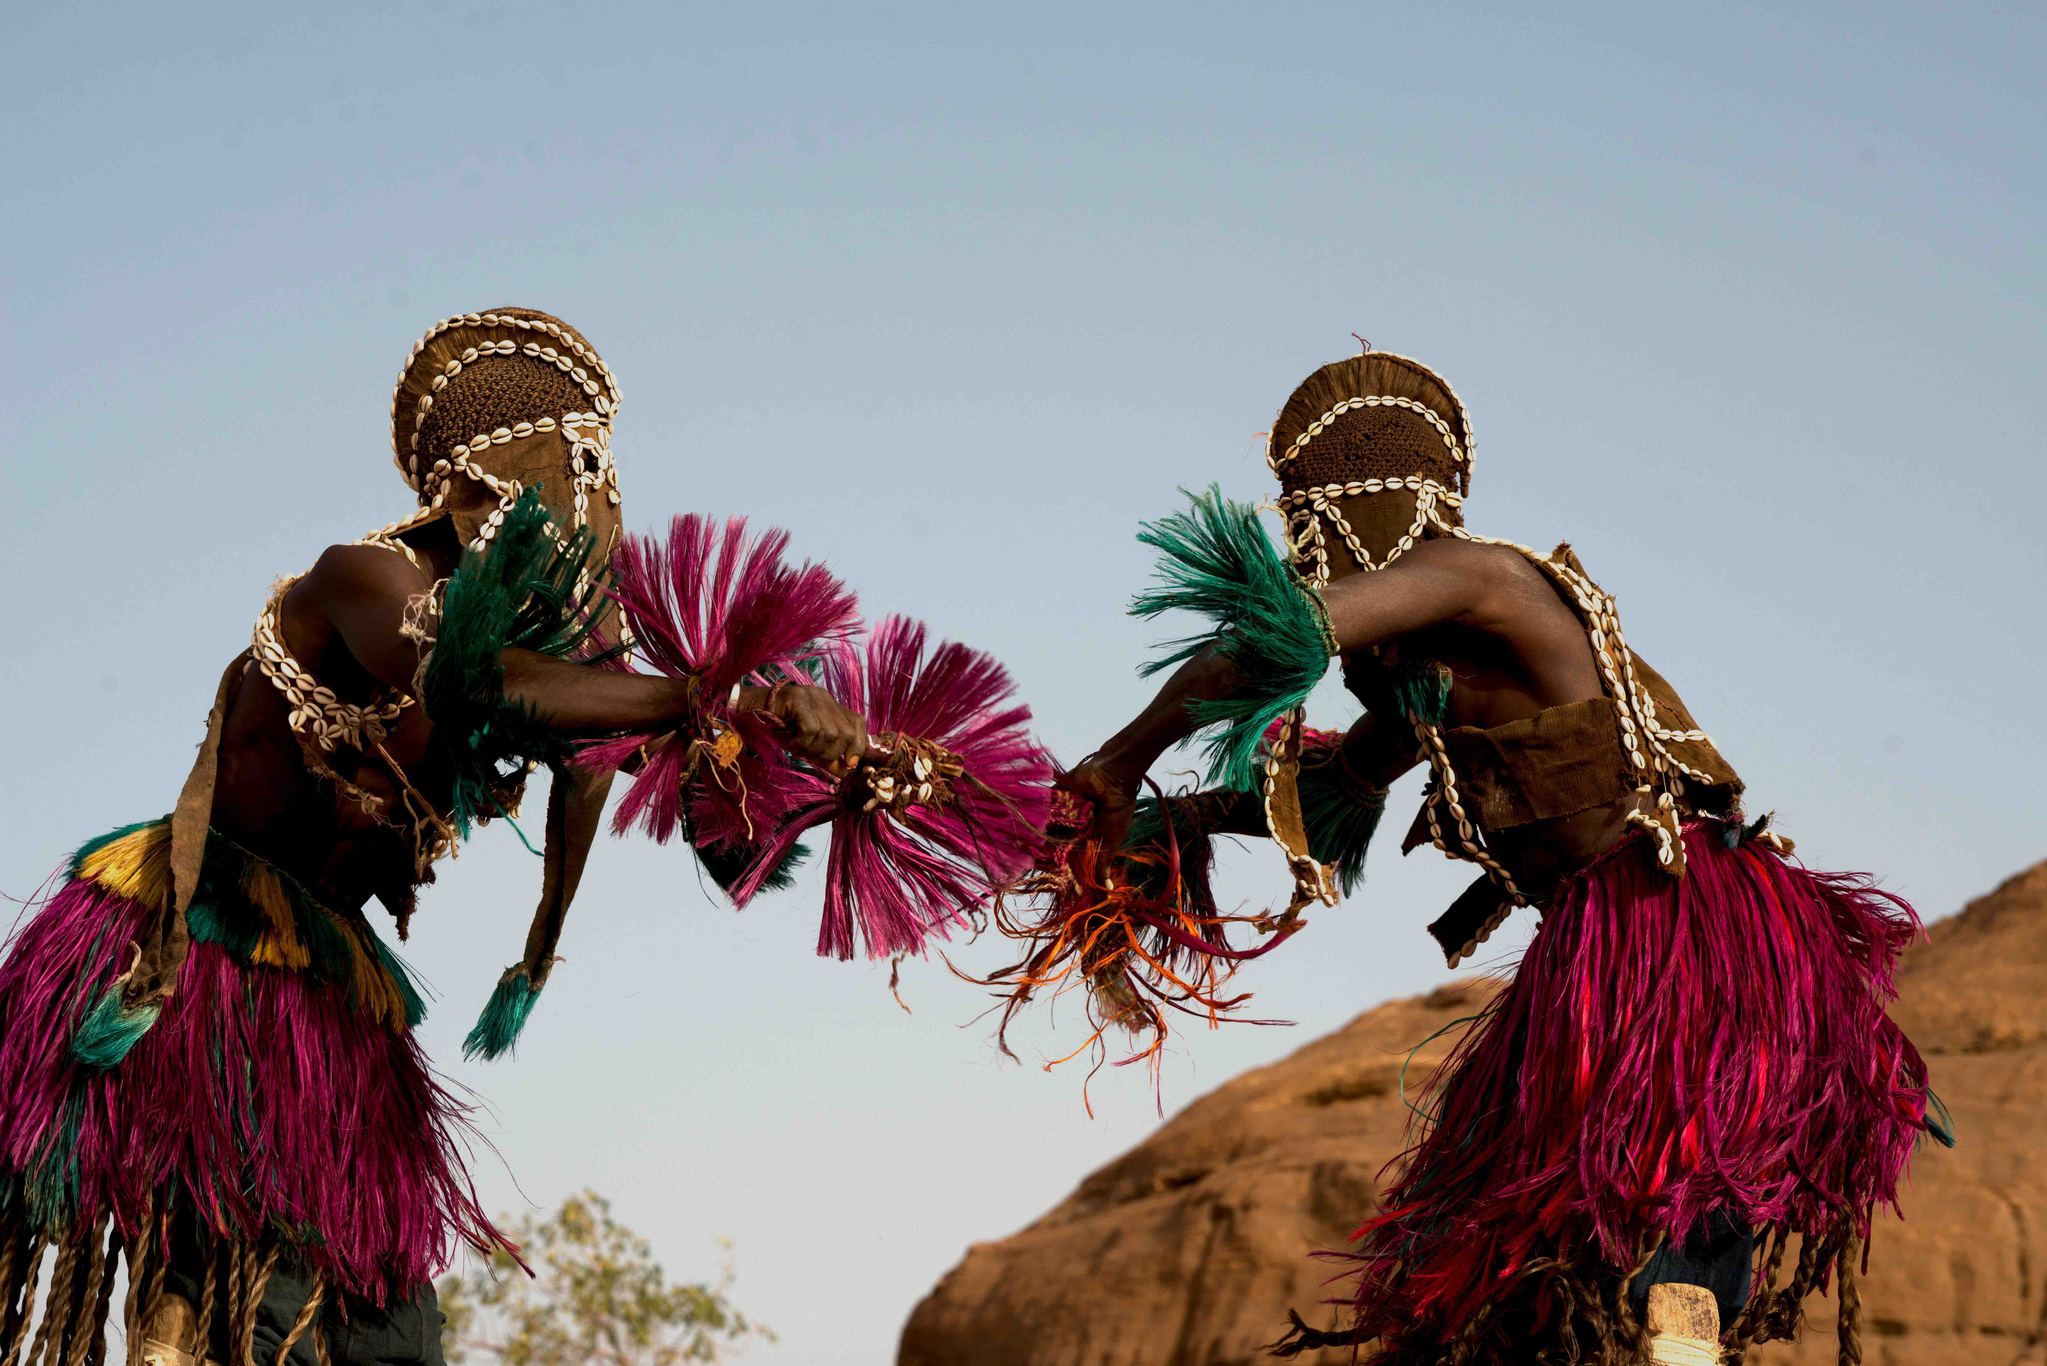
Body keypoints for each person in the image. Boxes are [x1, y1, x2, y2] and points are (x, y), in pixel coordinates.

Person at [0, 309, 867, 1365]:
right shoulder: (360, 580)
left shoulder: (571, 662)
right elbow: (472, 680)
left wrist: (810, 760)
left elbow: (710, 828)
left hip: (329, 1001)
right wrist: (700, 693)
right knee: (261, 1312)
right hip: (196, 958)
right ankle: (182, 1300)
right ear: (482, 494)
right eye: (582, 482)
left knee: (392, 1334)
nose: (605, 519)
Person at [1059, 349, 1940, 1365]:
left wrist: (1119, 760)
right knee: (1495, 1248)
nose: (1305, 550)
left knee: (1680, 1188)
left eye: (1310, 523)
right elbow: (1327, 799)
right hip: (1600, 947)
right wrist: (1164, 821)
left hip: (1684, 927)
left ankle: (1686, 1341)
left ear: (1370, 509)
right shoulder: (1433, 673)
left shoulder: (1484, 580)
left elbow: (1272, 641)